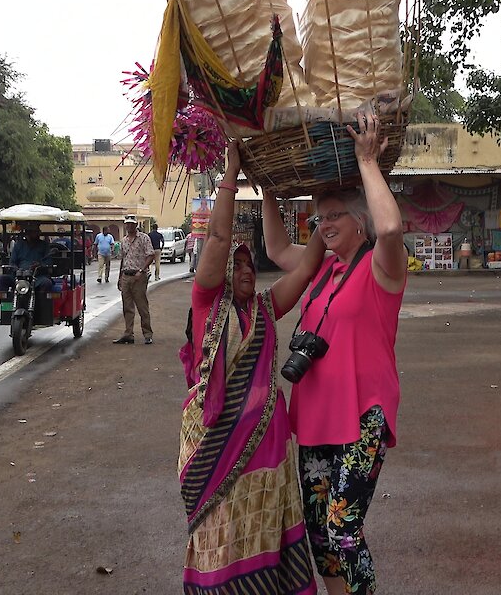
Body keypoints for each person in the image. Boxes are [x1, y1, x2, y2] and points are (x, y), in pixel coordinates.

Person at [261, 109, 407, 595]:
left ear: (359, 220)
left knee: (344, 529)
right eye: (318, 217)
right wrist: (265, 189)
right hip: (319, 420)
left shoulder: (380, 269)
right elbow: (278, 246)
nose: (322, 225)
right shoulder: (322, 270)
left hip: (364, 414)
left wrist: (367, 161)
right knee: (321, 537)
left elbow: (390, 230)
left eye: (333, 216)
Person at [179, 141, 325, 593]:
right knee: (223, 531)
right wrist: (232, 173)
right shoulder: (207, 302)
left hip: (268, 444)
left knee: (263, 526)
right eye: (236, 265)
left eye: (249, 264)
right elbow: (219, 240)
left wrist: (328, 213)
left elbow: (305, 272)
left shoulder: (264, 307)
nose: (244, 270)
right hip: (217, 442)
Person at [113, 218, 156, 345]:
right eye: (127, 224)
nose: (129, 226)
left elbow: (151, 255)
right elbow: (123, 259)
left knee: (142, 306)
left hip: (139, 276)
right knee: (127, 306)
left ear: (136, 225)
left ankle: (147, 334)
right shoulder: (124, 241)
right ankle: (128, 334)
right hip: (126, 275)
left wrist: (142, 270)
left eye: (132, 224)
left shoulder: (143, 238)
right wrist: (120, 277)